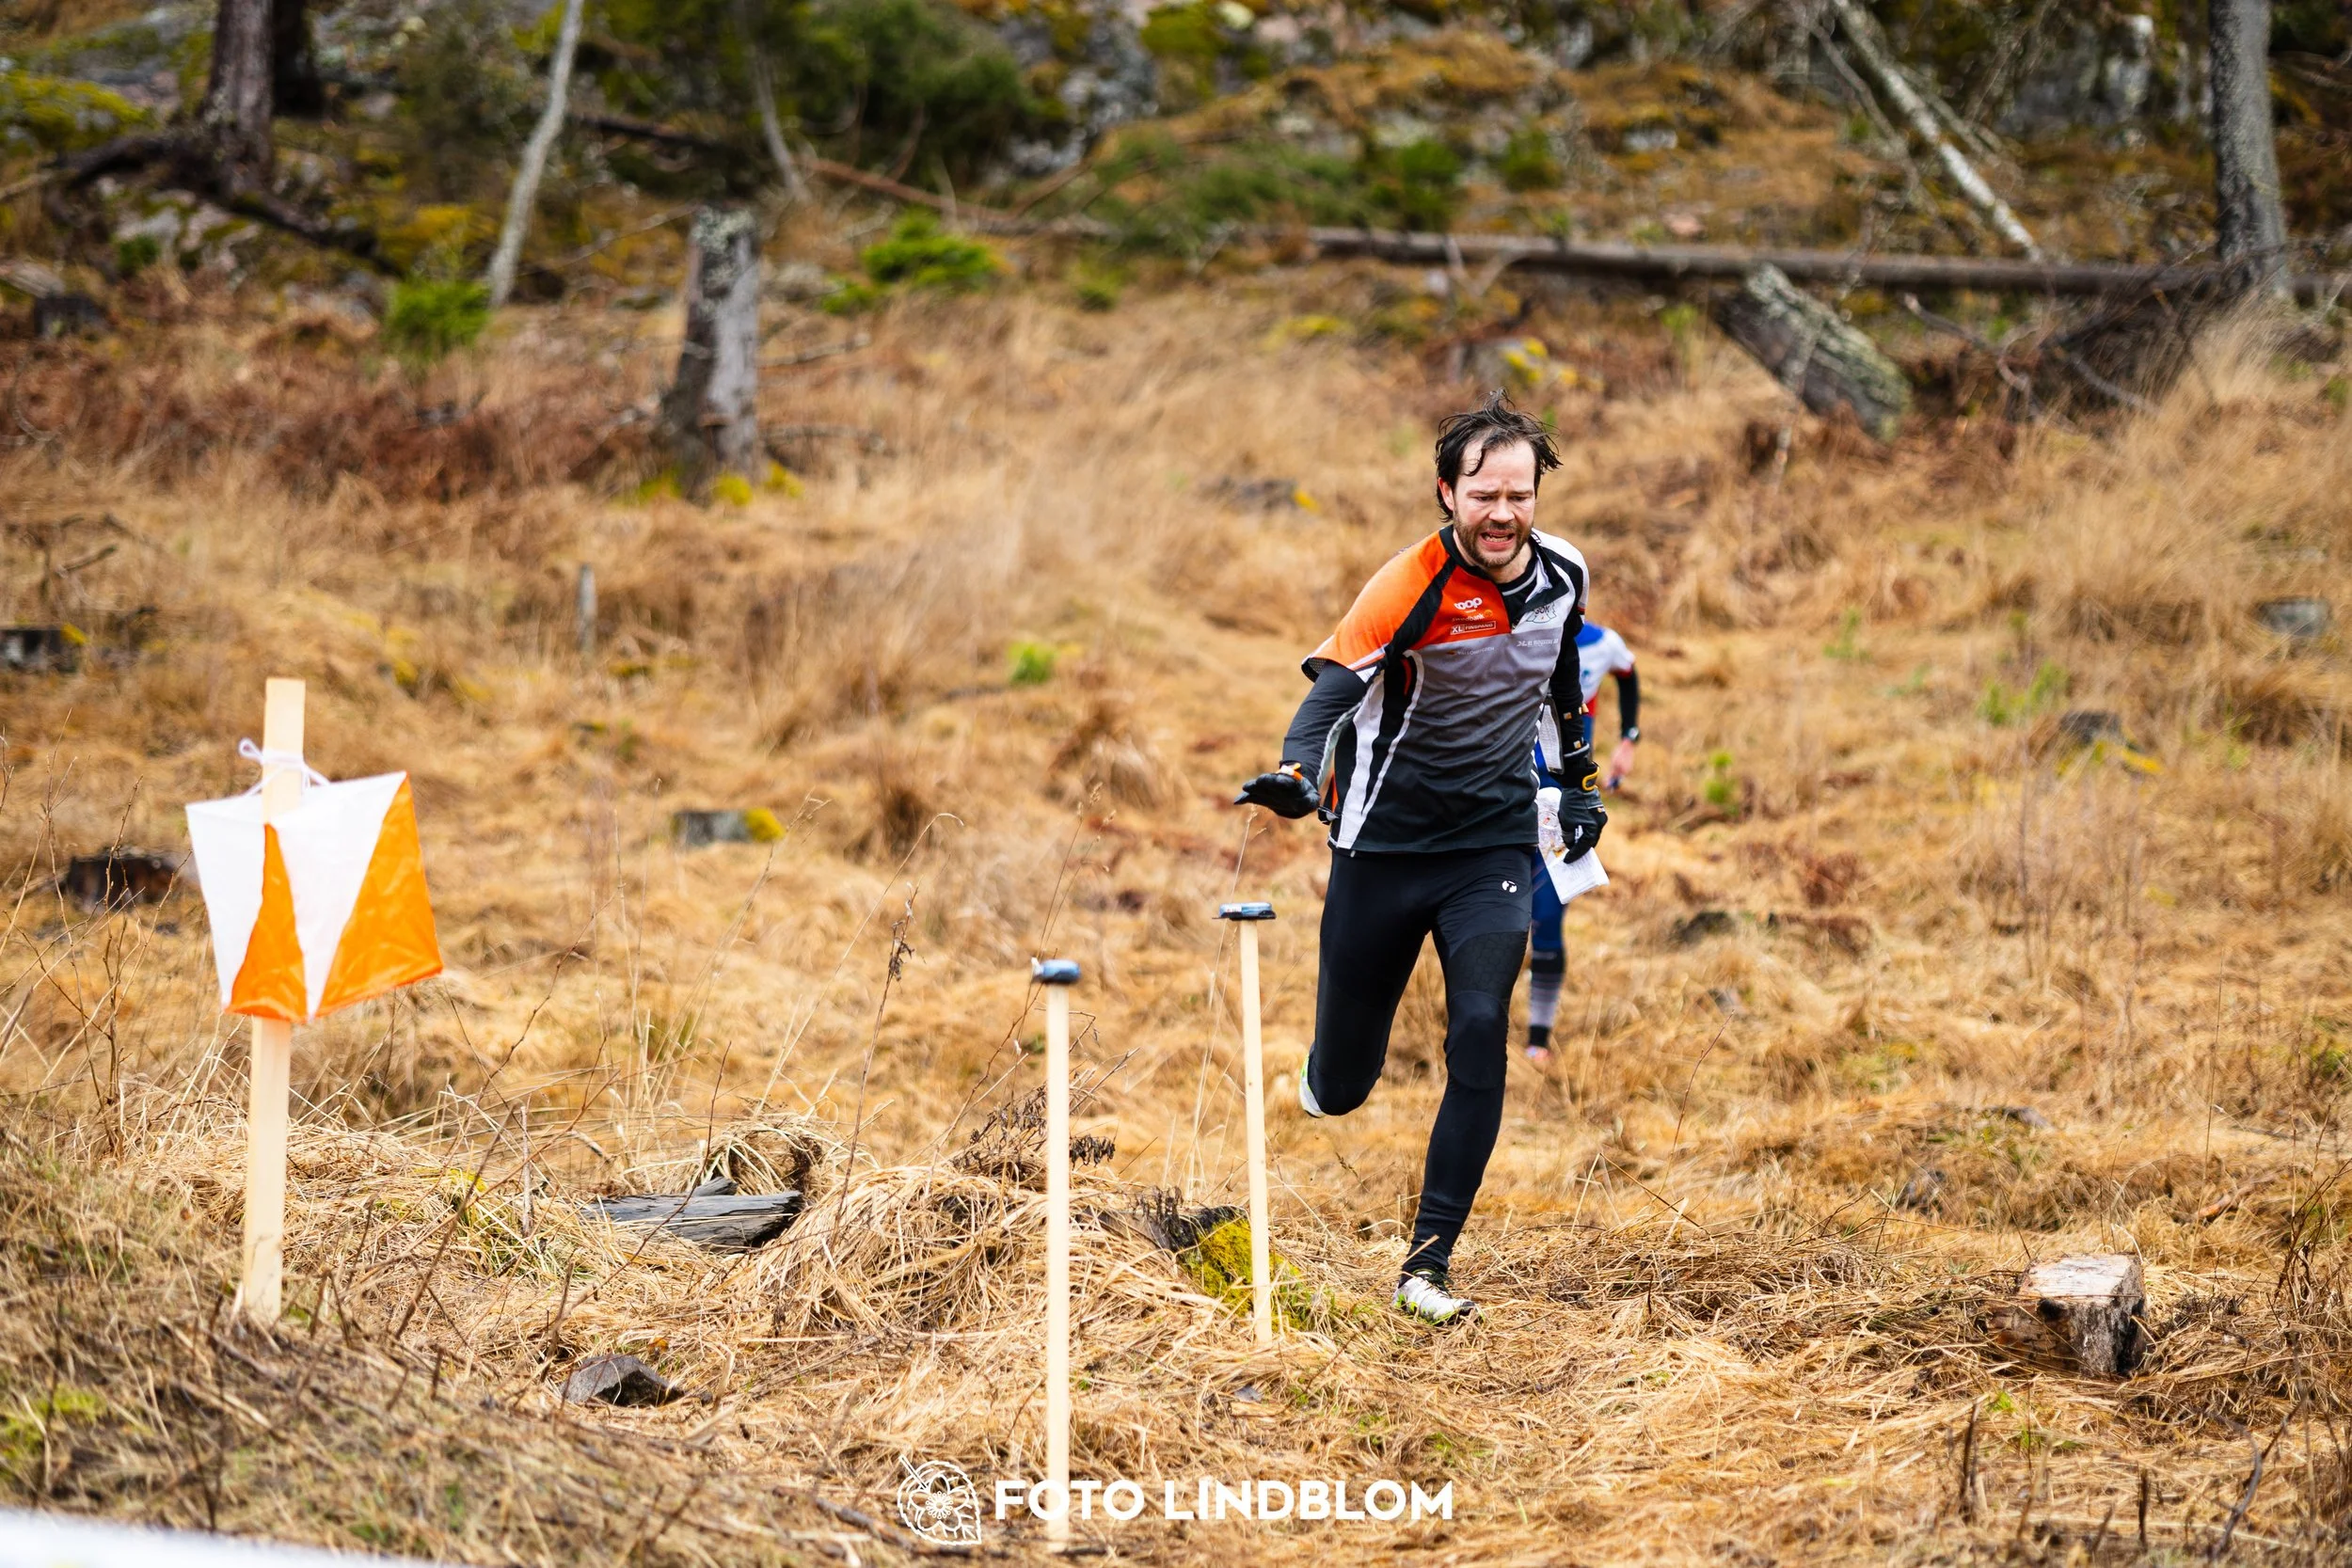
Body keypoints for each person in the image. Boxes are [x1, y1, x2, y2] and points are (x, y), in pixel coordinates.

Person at [1233, 393, 1605, 1326]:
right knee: (1343, 1084)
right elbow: (1330, 694)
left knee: (1479, 1026)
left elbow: (1563, 670)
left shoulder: (1563, 572)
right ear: (1447, 492)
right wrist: (1296, 772)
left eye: (1519, 495)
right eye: (1483, 495)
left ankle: (1425, 1267)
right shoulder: (1409, 585)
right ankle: (1326, 1072)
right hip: (1382, 850)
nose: (1503, 514)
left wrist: (1578, 779)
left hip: (1492, 844)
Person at [1524, 621, 1639, 1065]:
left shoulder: (1602, 644)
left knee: (1547, 917)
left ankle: (1538, 1037)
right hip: (1504, 798)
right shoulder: (1511, 634)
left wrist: (1628, 740)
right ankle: (1481, 1025)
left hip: (1564, 807)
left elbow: (1628, 674)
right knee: (1500, 921)